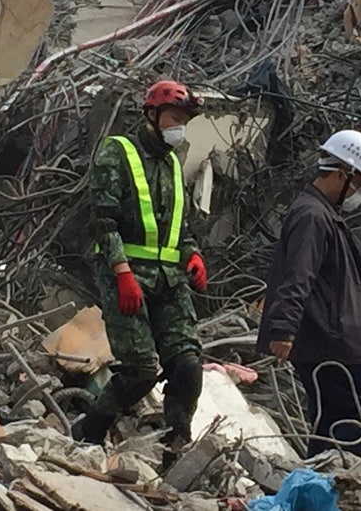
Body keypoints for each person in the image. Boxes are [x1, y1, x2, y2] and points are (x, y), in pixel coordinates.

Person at [73, 80, 208, 454]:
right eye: (175, 118)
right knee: (141, 371)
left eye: (185, 120)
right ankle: (90, 430)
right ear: (152, 115)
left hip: (169, 279)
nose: (179, 127)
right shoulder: (118, 153)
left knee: (187, 365)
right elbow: (103, 220)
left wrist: (192, 254)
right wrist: (122, 272)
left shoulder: (173, 164)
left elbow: (181, 223)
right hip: (127, 276)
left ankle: (177, 440)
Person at [257, 129, 361, 458]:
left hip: (330, 338)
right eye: (358, 183)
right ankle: (329, 473)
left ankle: (310, 481)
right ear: (341, 173)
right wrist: (284, 330)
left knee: (332, 416)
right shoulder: (313, 216)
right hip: (329, 342)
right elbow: (298, 276)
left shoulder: (322, 214)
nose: (357, 192)